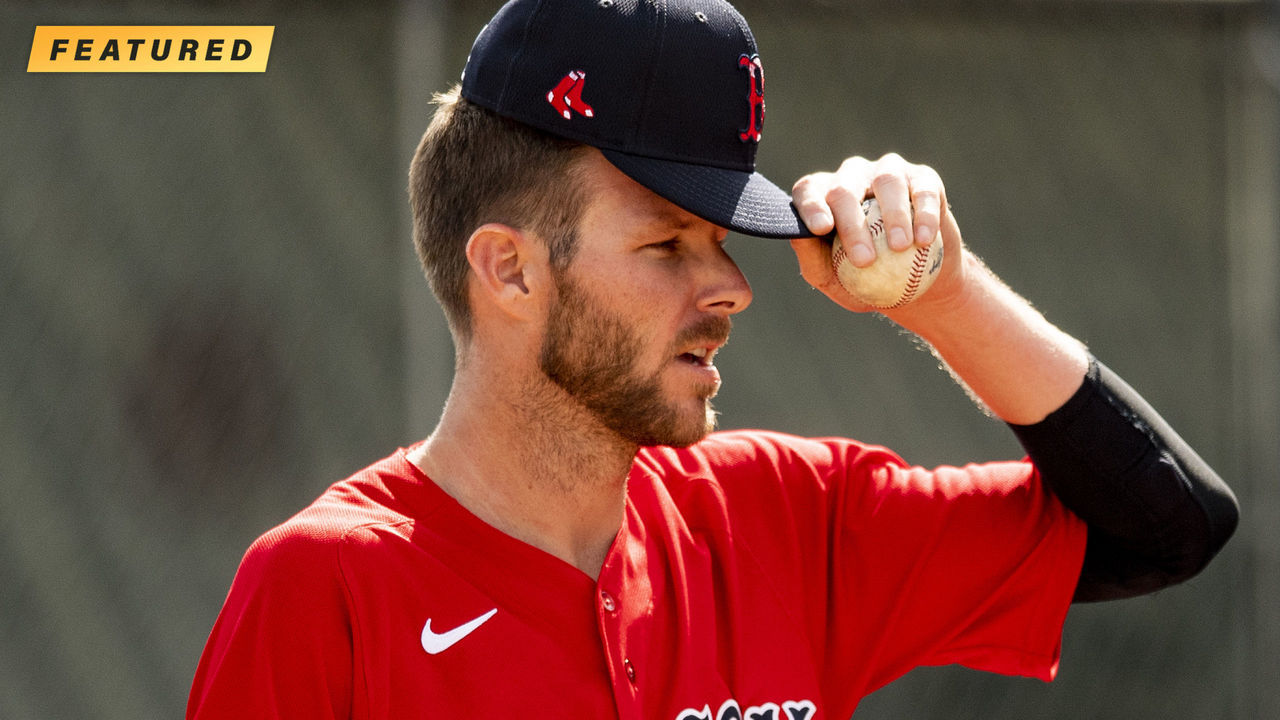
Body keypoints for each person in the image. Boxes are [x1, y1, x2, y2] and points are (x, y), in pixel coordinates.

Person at [186, 0, 1239, 718]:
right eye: (665, 243)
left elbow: (1166, 527)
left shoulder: (781, 517)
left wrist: (943, 297)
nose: (730, 285)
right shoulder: (322, 588)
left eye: (724, 237)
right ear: (508, 270)